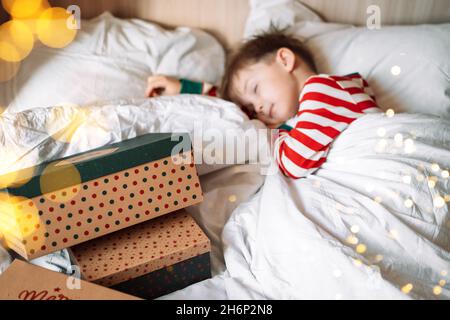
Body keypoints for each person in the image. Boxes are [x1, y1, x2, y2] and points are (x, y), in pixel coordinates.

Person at [145, 30, 380, 179]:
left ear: (285, 60)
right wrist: (186, 89)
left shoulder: (322, 89)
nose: (257, 109)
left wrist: (268, 136)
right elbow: (233, 112)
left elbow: (295, 164)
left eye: (256, 89)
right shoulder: (301, 117)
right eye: (251, 105)